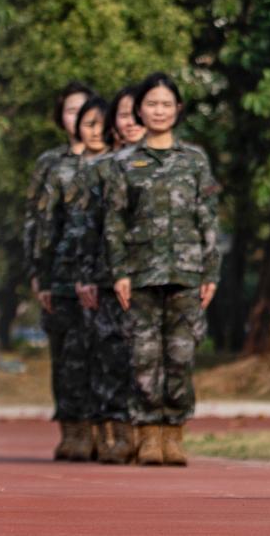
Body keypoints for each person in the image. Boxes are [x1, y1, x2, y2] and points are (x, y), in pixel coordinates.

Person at [104, 73, 220, 466]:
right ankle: (148, 434)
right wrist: (119, 271)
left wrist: (211, 272)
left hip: (187, 273)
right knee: (143, 356)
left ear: (178, 110)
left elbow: (208, 218)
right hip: (139, 273)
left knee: (181, 355)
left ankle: (175, 433)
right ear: (139, 110)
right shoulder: (123, 163)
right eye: (151, 104)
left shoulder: (194, 160)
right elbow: (115, 221)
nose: (158, 110)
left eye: (166, 104)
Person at [67, 88, 140, 464]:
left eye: (135, 114)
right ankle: (114, 435)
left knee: (146, 358)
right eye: (123, 115)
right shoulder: (100, 171)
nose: (129, 122)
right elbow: (85, 229)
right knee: (109, 357)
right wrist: (84, 275)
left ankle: (152, 435)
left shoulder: (167, 165)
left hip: (150, 277)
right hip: (105, 278)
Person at [31, 84, 98, 461]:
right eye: (72, 110)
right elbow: (38, 222)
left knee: (98, 354)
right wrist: (37, 271)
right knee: (66, 355)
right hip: (59, 274)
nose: (79, 118)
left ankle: (101, 429)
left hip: (97, 274)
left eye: (87, 111)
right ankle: (72, 429)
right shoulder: (51, 164)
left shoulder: (111, 158)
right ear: (61, 116)